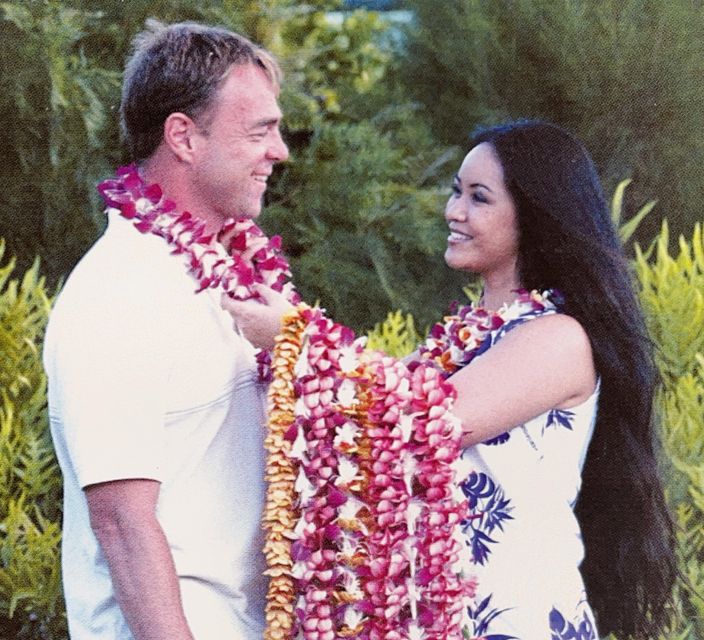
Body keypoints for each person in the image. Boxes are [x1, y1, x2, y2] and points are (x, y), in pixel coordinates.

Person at [224, 120, 677, 639]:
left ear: (534, 217)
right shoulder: (462, 337)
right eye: (456, 192)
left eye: (479, 198)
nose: (454, 212)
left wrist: (298, 341)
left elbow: (425, 420)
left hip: (519, 617)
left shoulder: (560, 337)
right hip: (442, 619)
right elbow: (373, 405)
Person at [43, 20, 288, 640]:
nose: (280, 150)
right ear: (183, 136)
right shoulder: (120, 291)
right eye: (259, 130)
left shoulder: (236, 277)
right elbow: (123, 522)